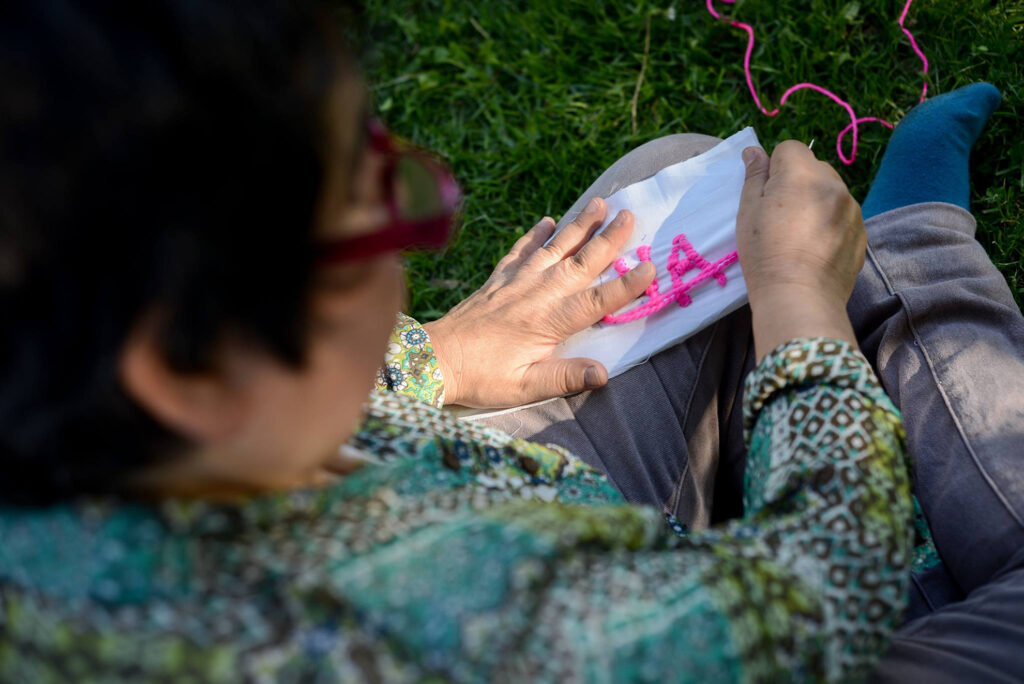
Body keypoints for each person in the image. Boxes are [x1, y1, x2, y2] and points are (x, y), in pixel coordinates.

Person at [0, 2, 1009, 682]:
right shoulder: (443, 620)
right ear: (191, 367)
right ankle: (920, 260)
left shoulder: (81, 452)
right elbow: (818, 609)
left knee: (675, 184)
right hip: (753, 624)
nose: (402, 238)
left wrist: (427, 357)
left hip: (578, 539)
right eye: (371, 203)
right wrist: (800, 302)